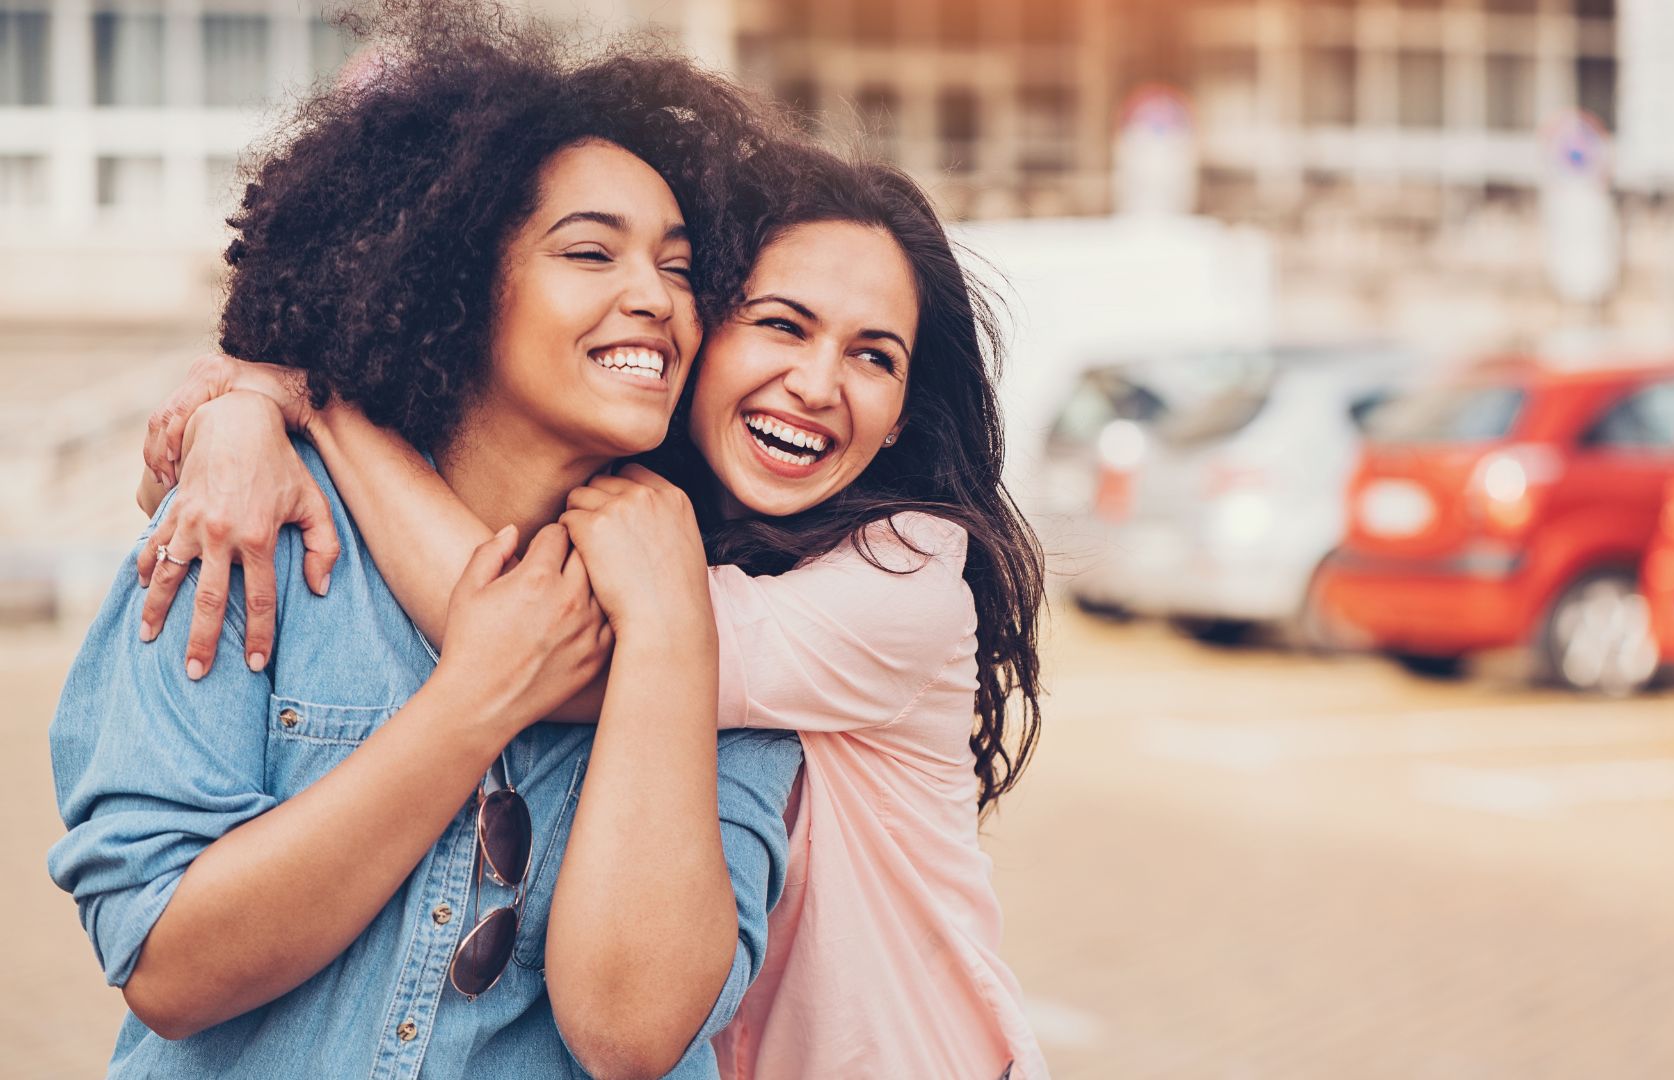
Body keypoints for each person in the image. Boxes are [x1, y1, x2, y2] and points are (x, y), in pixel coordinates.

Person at [134, 144, 1052, 1077]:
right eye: (781, 324)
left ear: (901, 411)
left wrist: (313, 402)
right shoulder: (682, 534)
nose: (819, 384)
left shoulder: (904, 572)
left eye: (873, 356)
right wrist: (241, 410)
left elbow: (536, 639)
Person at [46, 6, 800, 1077]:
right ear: (449, 271)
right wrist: (477, 699)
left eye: (681, 271)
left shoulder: (740, 619)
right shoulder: (257, 518)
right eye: (591, 251)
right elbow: (168, 966)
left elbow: (633, 1031)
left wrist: (673, 633)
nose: (654, 299)